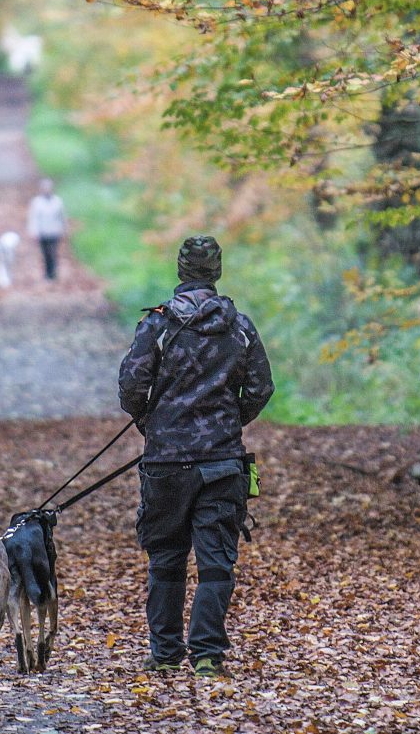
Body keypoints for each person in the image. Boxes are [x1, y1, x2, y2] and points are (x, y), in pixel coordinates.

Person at [118, 235, 274, 678]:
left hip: (166, 463)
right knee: (216, 561)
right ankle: (207, 656)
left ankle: (165, 654)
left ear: (182, 271)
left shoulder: (157, 326)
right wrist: (229, 423)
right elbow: (261, 388)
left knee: (166, 557)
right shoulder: (239, 326)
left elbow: (131, 387)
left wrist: (153, 423)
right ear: (217, 272)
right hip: (223, 463)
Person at [27, 178, 66, 280]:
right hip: (43, 232)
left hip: (54, 231)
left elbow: (62, 217)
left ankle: (53, 272)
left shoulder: (58, 201)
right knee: (45, 253)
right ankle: (47, 272)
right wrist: (34, 232)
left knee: (53, 252)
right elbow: (34, 218)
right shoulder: (37, 202)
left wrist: (64, 229)